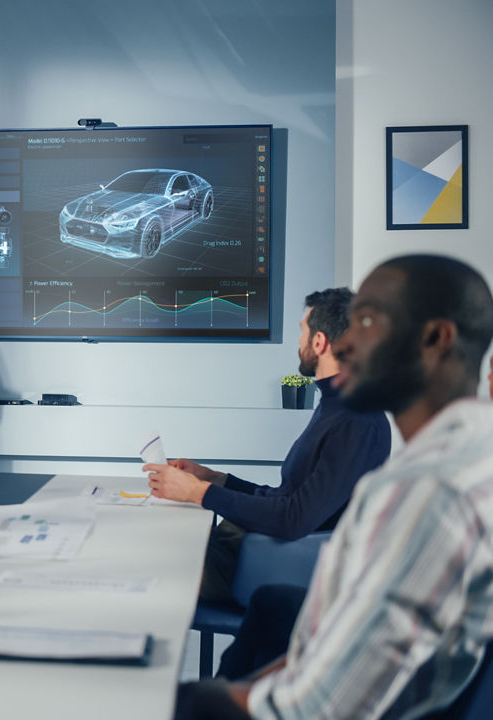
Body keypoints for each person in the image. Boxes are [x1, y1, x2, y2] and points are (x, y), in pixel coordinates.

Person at [176, 254, 493, 720]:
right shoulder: (466, 452)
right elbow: (354, 641)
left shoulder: (427, 493)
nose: (344, 346)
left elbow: (320, 706)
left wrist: (204, 702)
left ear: (435, 338)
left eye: (366, 321)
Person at [144, 288, 391, 603]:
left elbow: (294, 519)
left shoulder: (357, 421)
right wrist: (214, 479)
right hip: (260, 554)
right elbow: (285, 499)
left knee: (146, 565)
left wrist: (197, 493)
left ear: (320, 342)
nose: (298, 343)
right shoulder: (338, 406)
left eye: (302, 333)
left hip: (274, 572)